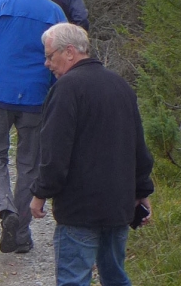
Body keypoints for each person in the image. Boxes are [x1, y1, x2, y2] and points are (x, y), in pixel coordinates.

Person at [30, 23, 154, 286]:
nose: (46, 63)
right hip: (118, 206)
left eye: (50, 56)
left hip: (79, 210)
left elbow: (55, 152)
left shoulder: (66, 90)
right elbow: (138, 148)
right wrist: (142, 192)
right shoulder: (121, 86)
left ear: (70, 52)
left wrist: (41, 193)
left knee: (74, 280)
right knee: (115, 277)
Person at [0, 0, 67, 255]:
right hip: (36, 98)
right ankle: (23, 232)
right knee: (29, 165)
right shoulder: (55, 12)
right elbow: (63, 54)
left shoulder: (1, 4)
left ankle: (6, 210)